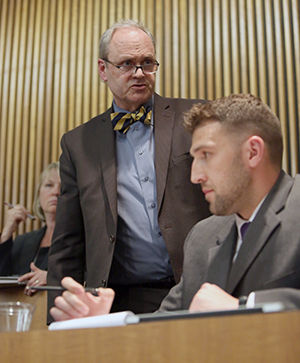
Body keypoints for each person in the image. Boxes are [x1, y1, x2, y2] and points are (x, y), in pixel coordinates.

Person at [49, 94, 300, 322]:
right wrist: (103, 322)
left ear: (253, 152)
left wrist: (246, 307)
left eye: (206, 155)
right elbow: (162, 327)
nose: (195, 175)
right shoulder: (202, 238)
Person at [47, 19, 210, 318]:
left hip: (197, 289)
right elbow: (68, 242)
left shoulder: (195, 117)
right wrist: (57, 322)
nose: (139, 74)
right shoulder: (77, 144)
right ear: (103, 70)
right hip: (117, 301)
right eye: (127, 64)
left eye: (147, 63)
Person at [0, 162, 60, 295]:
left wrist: (52, 278)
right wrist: (6, 233)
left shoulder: (82, 240)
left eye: (63, 187)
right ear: (39, 194)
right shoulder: (22, 242)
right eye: (49, 185)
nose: (56, 192)